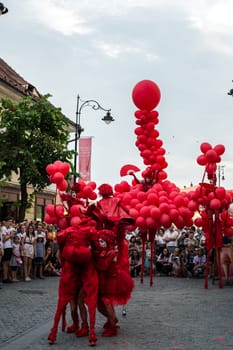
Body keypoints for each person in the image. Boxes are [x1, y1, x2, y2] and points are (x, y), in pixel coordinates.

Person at [1, 218, 15, 283]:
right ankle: (5, 278)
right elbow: (3, 239)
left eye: (11, 221)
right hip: (5, 247)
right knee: (5, 263)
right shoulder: (3, 228)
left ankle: (7, 277)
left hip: (9, 247)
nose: (10, 222)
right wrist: (10, 235)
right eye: (9, 221)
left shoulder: (8, 229)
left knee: (7, 263)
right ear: (5, 222)